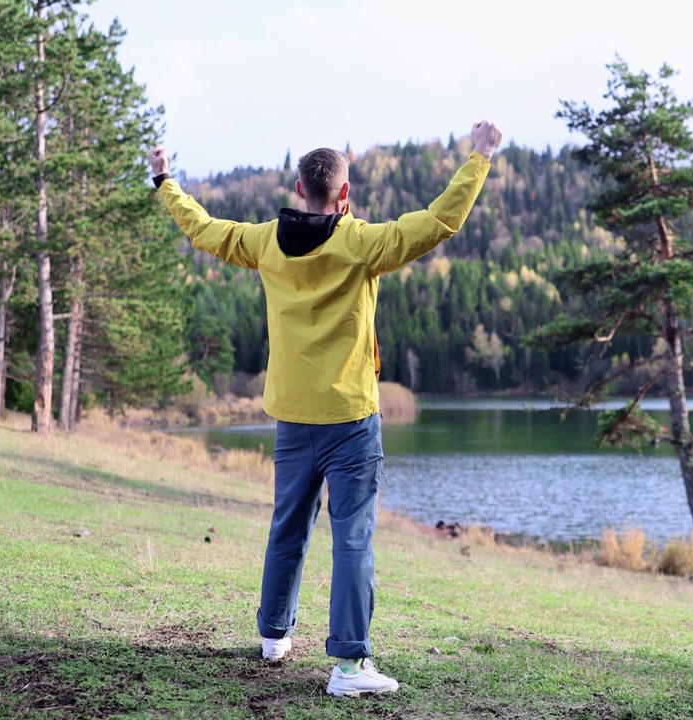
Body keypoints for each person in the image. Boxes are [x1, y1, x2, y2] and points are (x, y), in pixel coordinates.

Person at [145, 120, 503, 697]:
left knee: (288, 527)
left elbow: (203, 231)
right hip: (351, 421)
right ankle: (349, 668)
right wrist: (480, 157)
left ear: (295, 190)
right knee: (353, 540)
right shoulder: (359, 243)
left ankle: (274, 636)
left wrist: (165, 180)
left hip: (292, 417)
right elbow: (440, 220)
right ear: (344, 195)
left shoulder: (264, 242)